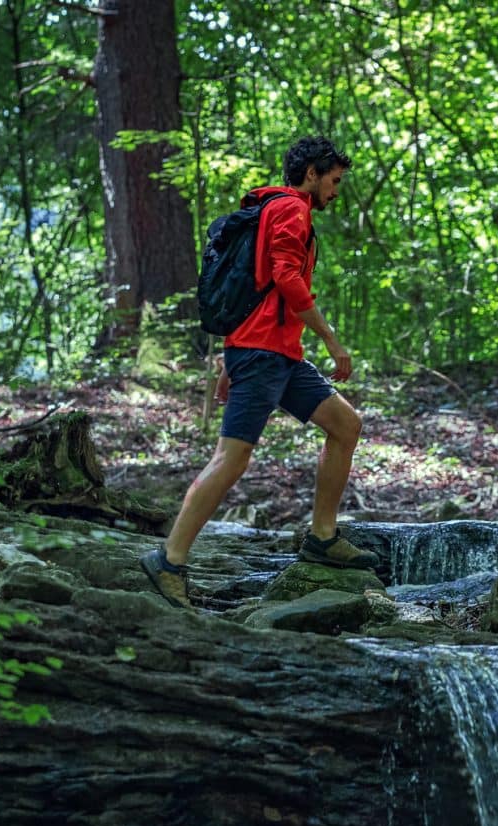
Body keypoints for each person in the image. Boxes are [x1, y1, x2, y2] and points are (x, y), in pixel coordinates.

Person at [142, 136, 379, 610]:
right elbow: (286, 276)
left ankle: (323, 536)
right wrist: (332, 339)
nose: (335, 192)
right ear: (311, 173)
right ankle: (169, 560)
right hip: (264, 354)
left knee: (345, 425)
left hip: (278, 354)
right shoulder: (291, 209)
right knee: (231, 458)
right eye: (333, 181)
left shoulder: (275, 207)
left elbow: (262, 286)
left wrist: (232, 357)